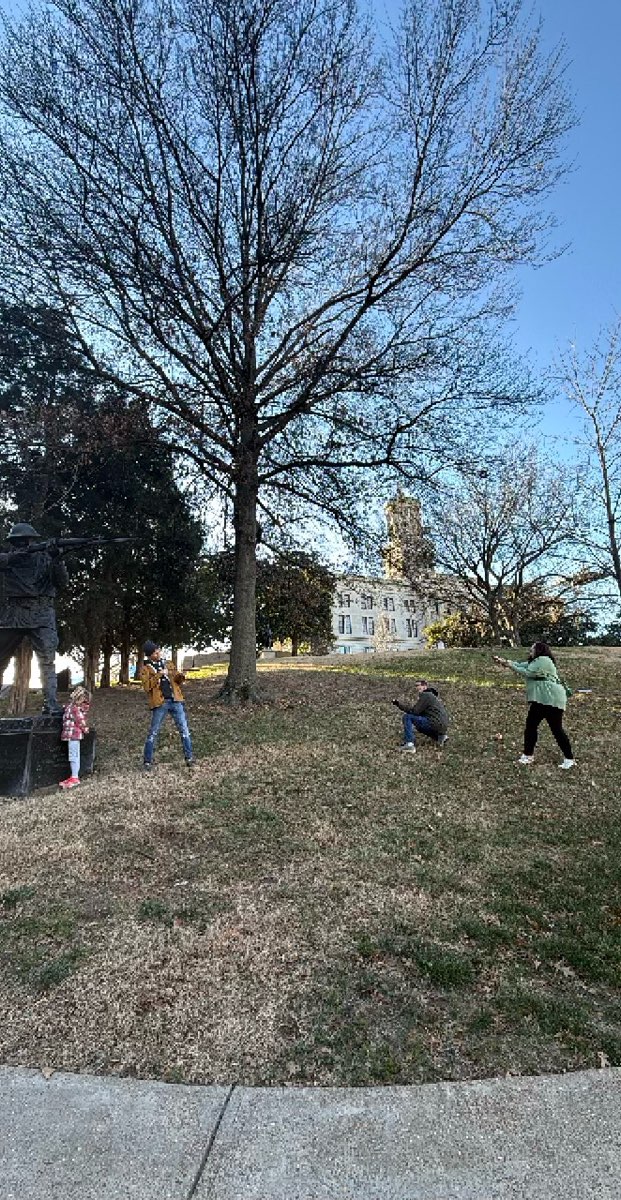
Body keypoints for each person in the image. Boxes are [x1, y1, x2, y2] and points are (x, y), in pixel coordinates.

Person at [0, 522, 68, 715]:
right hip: (14, 614)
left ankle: (51, 704)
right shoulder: (9, 560)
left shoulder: (46, 558)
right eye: (17, 542)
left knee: (47, 661)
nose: (22, 544)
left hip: (42, 613)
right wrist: (14, 557)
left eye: (25, 541)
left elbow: (62, 582)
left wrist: (57, 559)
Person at [492, 642, 575, 769]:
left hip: (550, 698)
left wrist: (508, 664)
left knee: (554, 729)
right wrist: (505, 661)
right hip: (543, 699)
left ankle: (568, 758)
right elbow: (519, 665)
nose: (530, 652)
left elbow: (528, 673)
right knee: (533, 726)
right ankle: (529, 755)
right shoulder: (536, 662)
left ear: (539, 650)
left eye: (532, 650)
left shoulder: (543, 660)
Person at [141, 640, 194, 770]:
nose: (158, 653)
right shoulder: (145, 669)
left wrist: (180, 676)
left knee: (184, 730)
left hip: (176, 700)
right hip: (160, 703)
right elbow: (147, 687)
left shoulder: (168, 663)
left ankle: (189, 757)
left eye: (158, 650)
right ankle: (147, 761)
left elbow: (177, 680)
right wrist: (159, 674)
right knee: (153, 732)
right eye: (155, 652)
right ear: (150, 655)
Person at [392, 680, 449, 753]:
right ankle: (441, 737)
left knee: (407, 717)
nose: (417, 687)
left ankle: (409, 744)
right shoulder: (433, 698)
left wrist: (398, 704)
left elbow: (414, 712)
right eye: (416, 685)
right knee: (419, 726)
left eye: (419, 685)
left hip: (434, 722)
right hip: (442, 726)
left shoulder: (426, 695)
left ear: (425, 687)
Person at [59, 685, 91, 789]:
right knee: (73, 755)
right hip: (71, 735)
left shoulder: (74, 709)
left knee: (74, 755)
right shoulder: (72, 708)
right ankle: (73, 776)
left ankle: (74, 777)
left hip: (74, 735)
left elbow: (80, 721)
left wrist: (85, 729)